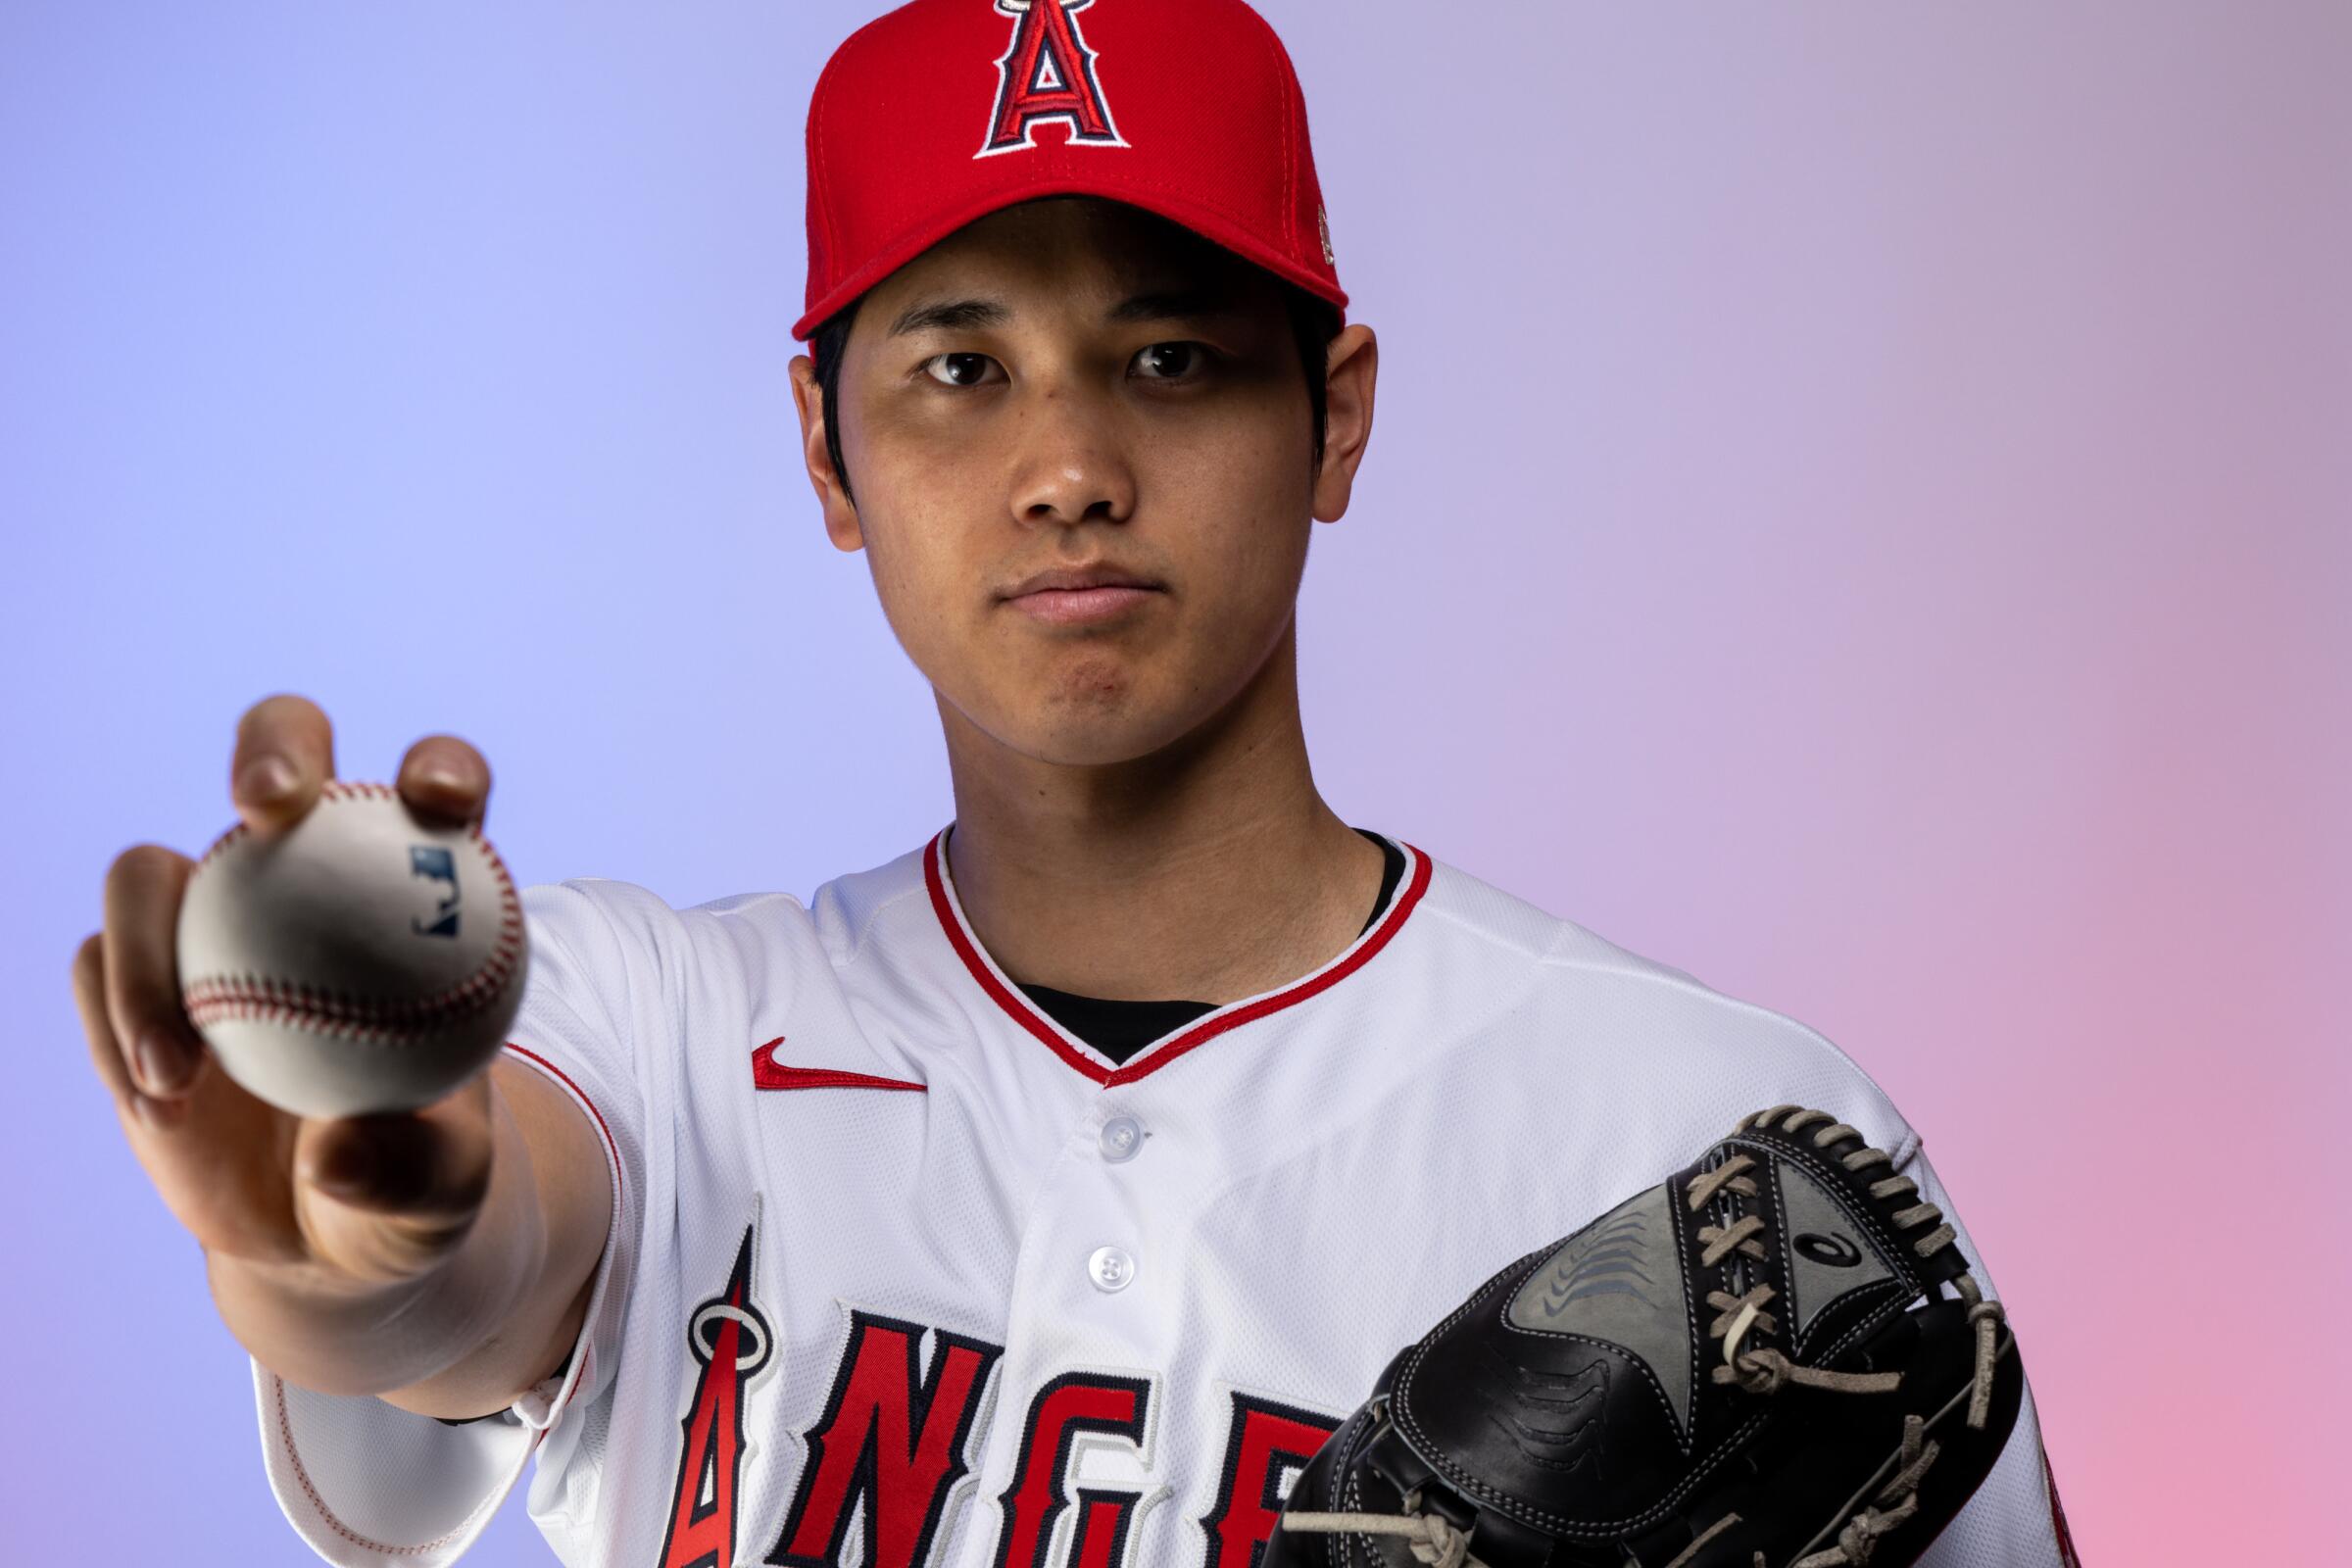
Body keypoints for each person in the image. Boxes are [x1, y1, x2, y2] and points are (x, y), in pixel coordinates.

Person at [74, 2, 2078, 1565]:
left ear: (1337, 415)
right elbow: (464, 1267)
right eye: (959, 365)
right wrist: (353, 1250)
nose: (1066, 465)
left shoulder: (1706, 1135)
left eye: (1174, 355)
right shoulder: (662, 1029)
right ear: (823, 449)